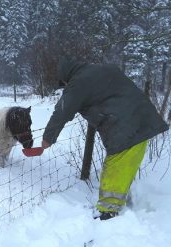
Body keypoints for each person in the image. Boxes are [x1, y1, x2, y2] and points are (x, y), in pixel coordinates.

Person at [42, 57, 169, 220]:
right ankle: (121, 203)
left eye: (65, 83)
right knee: (124, 168)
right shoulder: (104, 69)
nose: (66, 86)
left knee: (115, 167)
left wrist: (47, 139)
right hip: (142, 120)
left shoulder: (79, 82)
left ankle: (107, 213)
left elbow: (62, 111)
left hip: (124, 128)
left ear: (67, 76)